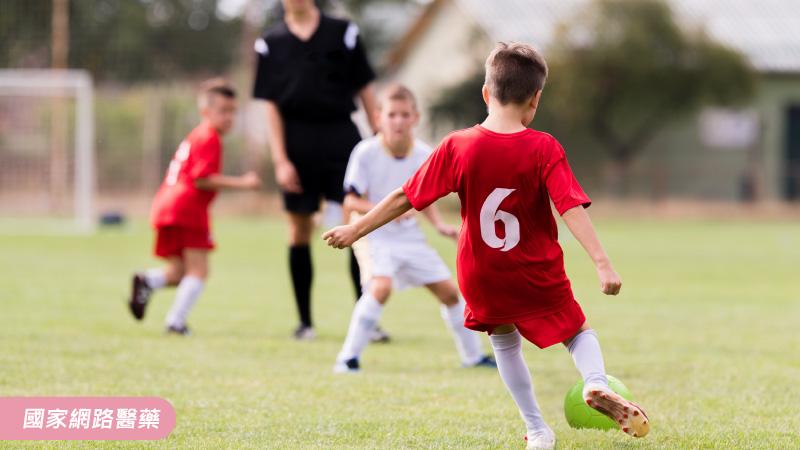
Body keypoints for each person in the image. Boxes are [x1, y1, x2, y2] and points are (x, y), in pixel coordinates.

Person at [322, 43, 649, 449]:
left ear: (485, 93)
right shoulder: (544, 147)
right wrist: (602, 264)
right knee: (578, 333)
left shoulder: (458, 145)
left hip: (482, 272)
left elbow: (407, 196)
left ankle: (537, 430)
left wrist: (356, 230)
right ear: (536, 99)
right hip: (535, 269)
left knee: (504, 340)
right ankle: (595, 382)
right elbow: (570, 207)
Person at [333, 84, 496, 373]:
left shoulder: (424, 153)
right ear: (378, 117)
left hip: (410, 237)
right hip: (374, 236)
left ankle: (472, 357)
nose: (398, 121)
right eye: (391, 114)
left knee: (449, 293)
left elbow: (424, 195)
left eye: (404, 114)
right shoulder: (365, 152)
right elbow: (350, 199)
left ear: (415, 118)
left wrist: (439, 225)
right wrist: (385, 213)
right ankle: (347, 359)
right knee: (380, 287)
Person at [253, 0, 384, 341]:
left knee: (356, 226)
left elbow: (366, 90)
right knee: (298, 231)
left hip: (342, 137)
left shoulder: (343, 33)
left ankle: (366, 322)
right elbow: (270, 107)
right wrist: (281, 160)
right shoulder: (271, 43)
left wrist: (379, 136)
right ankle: (305, 322)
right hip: (297, 145)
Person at [128, 79, 262, 335]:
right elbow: (203, 179)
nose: (229, 117)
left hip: (168, 205)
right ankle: (175, 323)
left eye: (233, 111)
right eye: (223, 111)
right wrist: (243, 183)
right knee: (199, 271)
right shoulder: (209, 137)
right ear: (205, 112)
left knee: (179, 272)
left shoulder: (198, 134)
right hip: (187, 208)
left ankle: (147, 281)